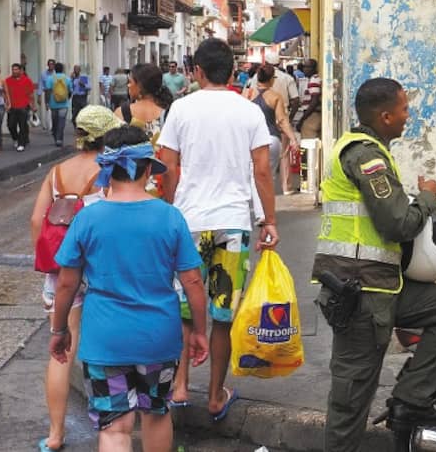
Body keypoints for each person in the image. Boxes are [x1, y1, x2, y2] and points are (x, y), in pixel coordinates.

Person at [313, 77, 436, 451]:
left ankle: (410, 398)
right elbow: (397, 223)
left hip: (382, 288)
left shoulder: (375, 152)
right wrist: (428, 196)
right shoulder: (365, 156)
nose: (408, 116)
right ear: (385, 116)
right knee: (351, 396)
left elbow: (396, 223)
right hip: (360, 294)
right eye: (404, 109)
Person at [49, 124, 209, 452]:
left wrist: (59, 329)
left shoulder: (88, 219)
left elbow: (67, 282)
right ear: (149, 169)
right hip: (158, 337)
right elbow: (192, 281)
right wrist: (199, 331)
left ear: (107, 169)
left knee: (115, 426)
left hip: (105, 339)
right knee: (156, 414)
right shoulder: (170, 217)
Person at [157, 37, 279, 416]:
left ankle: (178, 388)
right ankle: (214, 396)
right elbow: (261, 170)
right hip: (232, 226)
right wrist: (269, 221)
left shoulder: (180, 109)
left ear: (195, 71)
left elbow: (167, 168)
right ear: (232, 71)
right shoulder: (248, 112)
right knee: (223, 316)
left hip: (188, 224)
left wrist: (169, 211)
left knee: (182, 312)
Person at [30, 105, 123, 452]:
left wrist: (48, 262)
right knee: (106, 348)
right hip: (101, 270)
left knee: (60, 349)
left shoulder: (57, 173)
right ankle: (114, 426)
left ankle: (55, 435)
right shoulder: (111, 172)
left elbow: (37, 221)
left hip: (61, 270)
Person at [250, 64, 299, 191]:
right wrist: (293, 139)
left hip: (250, 140)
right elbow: (282, 120)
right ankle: (265, 207)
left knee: (251, 176)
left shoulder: (248, 93)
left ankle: (253, 206)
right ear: (272, 79)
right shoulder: (275, 97)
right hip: (271, 139)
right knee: (268, 178)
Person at [115, 63, 173, 141]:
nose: (128, 85)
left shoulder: (122, 112)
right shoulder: (169, 112)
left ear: (139, 85)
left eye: (130, 82)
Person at [5, 63, 36, 152]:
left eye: (16, 69)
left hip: (23, 106)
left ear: (20, 70)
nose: (14, 71)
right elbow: (5, 94)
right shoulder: (8, 81)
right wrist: (6, 104)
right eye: (13, 70)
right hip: (12, 107)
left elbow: (31, 95)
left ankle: (21, 143)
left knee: (22, 126)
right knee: (11, 125)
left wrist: (33, 106)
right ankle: (16, 138)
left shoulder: (27, 80)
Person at [45, 63, 73, 147]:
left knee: (55, 121)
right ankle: (59, 139)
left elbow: (48, 91)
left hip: (53, 104)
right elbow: (70, 91)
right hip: (64, 104)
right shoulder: (67, 79)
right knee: (61, 121)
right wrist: (67, 98)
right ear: (63, 69)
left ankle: (55, 136)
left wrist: (47, 101)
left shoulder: (50, 78)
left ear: (55, 69)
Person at [295, 58, 321, 140]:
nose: (304, 69)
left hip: (312, 115)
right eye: (304, 67)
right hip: (312, 114)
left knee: (307, 142)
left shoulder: (314, 81)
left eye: (307, 67)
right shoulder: (314, 79)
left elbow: (314, 101)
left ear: (313, 69)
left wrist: (302, 119)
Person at [38, 59, 56, 131]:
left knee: (55, 110)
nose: (51, 66)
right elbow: (40, 85)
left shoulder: (56, 74)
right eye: (50, 64)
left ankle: (54, 125)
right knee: (48, 109)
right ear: (47, 65)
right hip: (48, 93)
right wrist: (39, 95)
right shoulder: (44, 74)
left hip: (55, 93)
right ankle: (50, 126)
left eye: (52, 64)